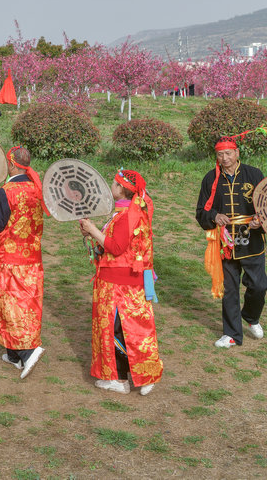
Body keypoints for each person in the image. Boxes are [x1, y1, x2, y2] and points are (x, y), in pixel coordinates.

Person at [79, 169, 163, 396]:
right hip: (125, 283)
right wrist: (91, 234)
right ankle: (138, 377)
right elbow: (112, 245)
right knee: (132, 331)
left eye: (114, 184)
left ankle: (119, 378)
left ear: (122, 188)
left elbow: (116, 247)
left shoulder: (126, 216)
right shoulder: (127, 213)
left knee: (117, 331)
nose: (111, 187)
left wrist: (94, 229)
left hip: (118, 287)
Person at [0, 146, 45, 378]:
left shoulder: (7, 190)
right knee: (27, 304)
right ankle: (13, 355)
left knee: (10, 306)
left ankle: (27, 352)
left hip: (9, 260)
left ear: (12, 165)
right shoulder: (35, 187)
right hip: (31, 257)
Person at [195, 136, 267, 348]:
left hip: (252, 240)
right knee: (229, 289)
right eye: (220, 154)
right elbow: (201, 211)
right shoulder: (210, 179)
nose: (225, 158)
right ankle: (232, 334)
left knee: (259, 285)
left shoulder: (254, 175)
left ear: (237, 153)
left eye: (228, 153)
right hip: (225, 243)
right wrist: (215, 216)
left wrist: (259, 220)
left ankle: (251, 316)